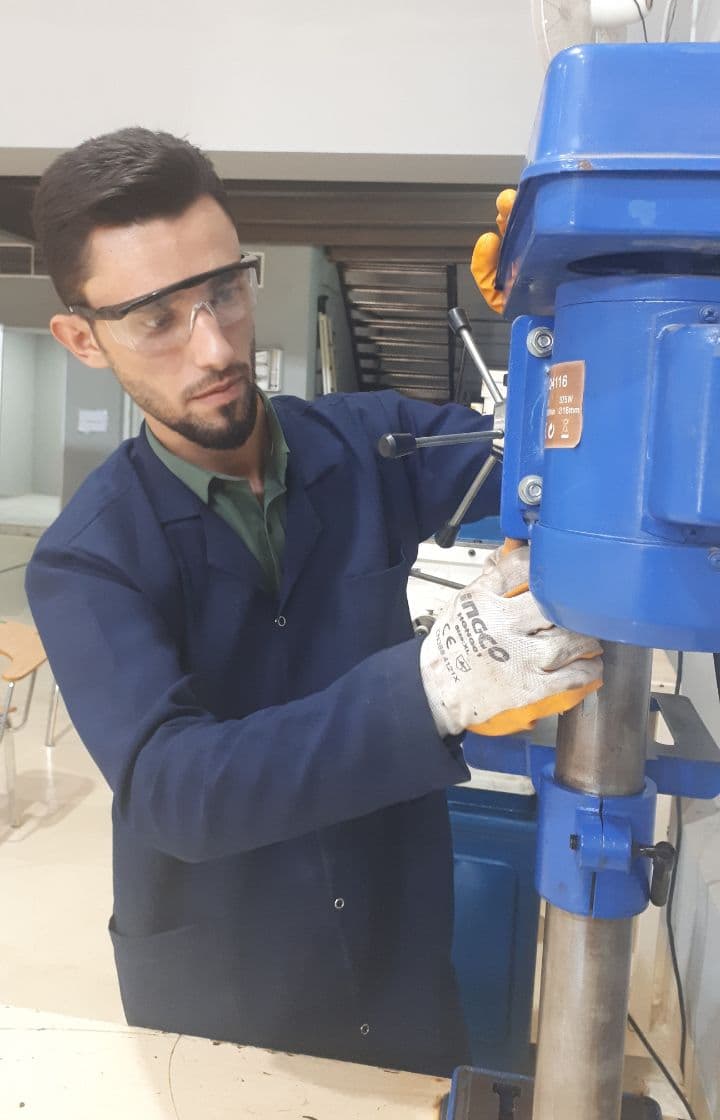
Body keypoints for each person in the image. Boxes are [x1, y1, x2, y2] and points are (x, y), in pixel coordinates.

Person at [26, 129, 602, 1077]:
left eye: (224, 290)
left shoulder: (372, 443)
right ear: (84, 338)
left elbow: (548, 471)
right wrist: (431, 689)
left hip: (397, 945)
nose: (215, 345)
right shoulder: (88, 560)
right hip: (226, 993)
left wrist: (562, 322)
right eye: (156, 319)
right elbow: (175, 790)